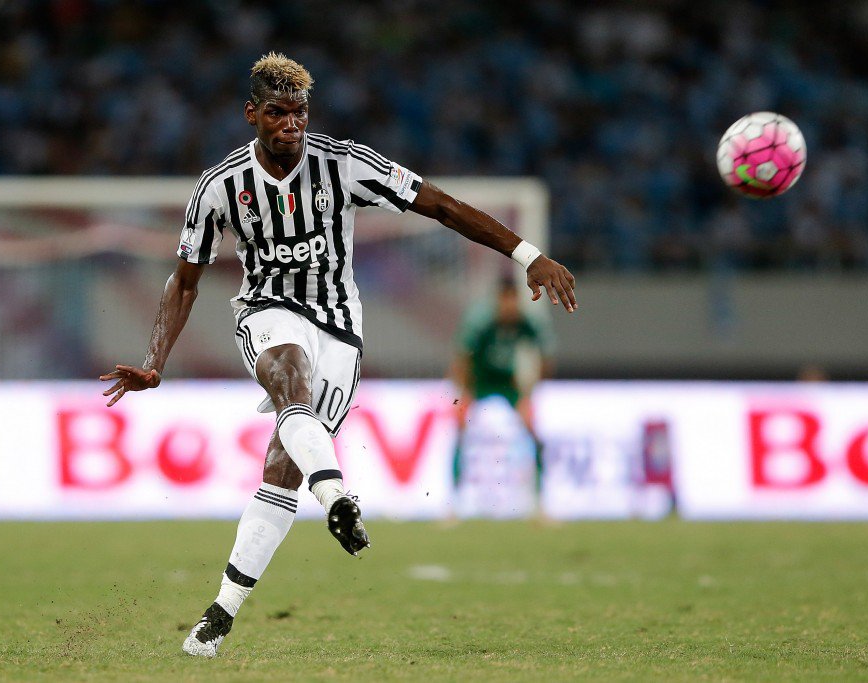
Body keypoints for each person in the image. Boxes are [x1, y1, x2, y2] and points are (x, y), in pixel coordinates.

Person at [99, 52, 576, 659]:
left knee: (280, 469)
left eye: (299, 112)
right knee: (287, 377)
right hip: (267, 311)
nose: (291, 124)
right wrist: (155, 359)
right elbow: (186, 280)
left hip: (341, 331)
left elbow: (439, 205)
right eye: (277, 113)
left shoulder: (343, 165)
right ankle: (338, 498)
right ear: (252, 115)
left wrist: (528, 254)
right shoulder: (220, 187)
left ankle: (218, 616)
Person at [449, 277, 554, 518]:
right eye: (505, 300)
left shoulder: (527, 322)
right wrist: (462, 393)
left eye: (513, 300)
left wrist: (529, 392)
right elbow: (463, 357)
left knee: (533, 432)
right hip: (479, 382)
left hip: (509, 383)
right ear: (499, 300)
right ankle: (453, 504)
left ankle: (540, 503)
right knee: (459, 432)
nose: (510, 306)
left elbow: (546, 356)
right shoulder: (482, 322)